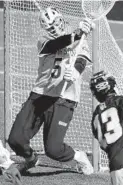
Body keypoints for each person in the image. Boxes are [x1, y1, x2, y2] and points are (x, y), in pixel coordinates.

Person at [8, 7, 94, 175]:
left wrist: (76, 71)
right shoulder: (44, 40)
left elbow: (82, 59)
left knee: (53, 150)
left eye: (56, 24)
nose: (54, 28)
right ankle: (30, 159)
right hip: (40, 94)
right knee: (15, 139)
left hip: (64, 98)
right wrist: (77, 33)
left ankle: (79, 156)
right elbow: (57, 44)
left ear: (61, 19)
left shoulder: (80, 39)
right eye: (50, 27)